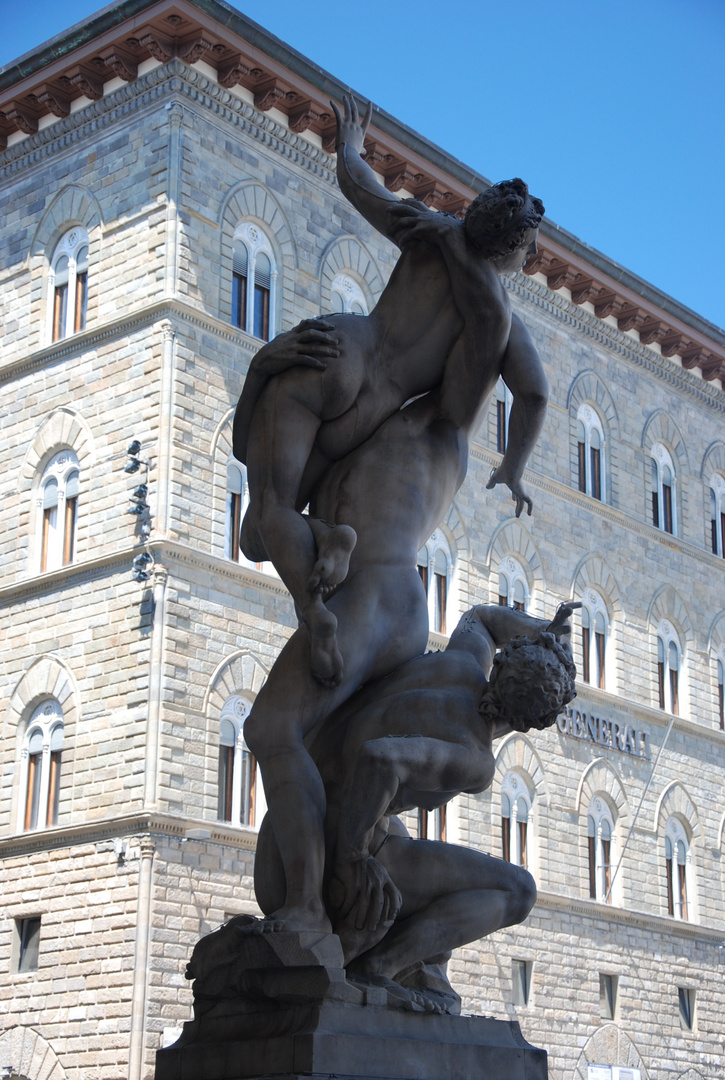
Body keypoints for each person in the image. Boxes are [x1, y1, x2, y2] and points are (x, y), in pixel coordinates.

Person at [240, 199, 549, 937]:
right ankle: (357, 901)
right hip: (392, 601)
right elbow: (524, 379)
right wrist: (514, 470)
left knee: (270, 729)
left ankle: (307, 915)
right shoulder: (416, 429)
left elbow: (507, 355)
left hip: (366, 595)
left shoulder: (422, 424)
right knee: (324, 747)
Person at [233, 95, 546, 687]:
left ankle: (319, 583)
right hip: (374, 411)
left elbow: (362, 187)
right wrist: (514, 466)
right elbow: (535, 395)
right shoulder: (501, 319)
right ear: (513, 253)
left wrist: (349, 142)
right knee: (262, 529)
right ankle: (326, 553)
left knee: (264, 519)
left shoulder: (432, 232)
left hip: (341, 353)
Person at [254, 604, 578, 1011]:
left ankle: (421, 967)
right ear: (535, 723)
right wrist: (352, 858)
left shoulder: (462, 663)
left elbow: (481, 618)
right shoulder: (473, 758)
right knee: (518, 891)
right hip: (329, 869)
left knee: (402, 836)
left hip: (286, 838)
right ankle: (378, 966)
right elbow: (380, 759)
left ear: (504, 660)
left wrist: (540, 629)